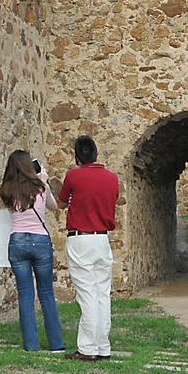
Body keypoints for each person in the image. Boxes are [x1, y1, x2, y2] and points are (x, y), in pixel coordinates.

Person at [57, 135, 119, 361]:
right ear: (97, 153)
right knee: (103, 293)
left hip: (80, 237)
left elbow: (62, 202)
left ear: (77, 155)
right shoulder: (112, 178)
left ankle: (87, 347)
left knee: (87, 294)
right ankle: (103, 345)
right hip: (102, 239)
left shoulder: (74, 176)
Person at [0, 150, 66, 353]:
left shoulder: (6, 190)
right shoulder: (40, 187)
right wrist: (43, 180)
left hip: (17, 241)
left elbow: (7, 209)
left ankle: (31, 344)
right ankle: (56, 344)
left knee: (25, 294)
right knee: (46, 292)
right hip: (40, 240)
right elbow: (55, 207)